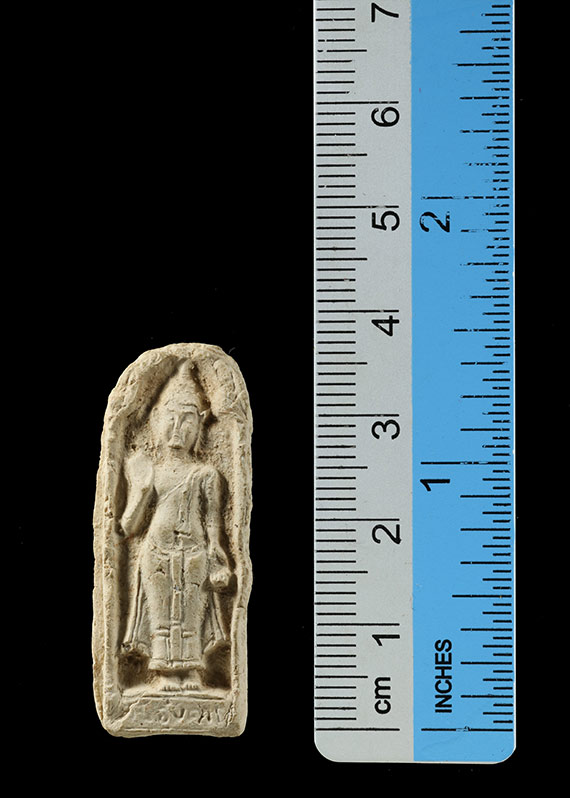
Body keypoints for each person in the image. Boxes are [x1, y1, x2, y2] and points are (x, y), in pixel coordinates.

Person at [121, 360, 231, 691]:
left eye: (187, 419)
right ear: (157, 419)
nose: (178, 427)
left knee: (191, 613)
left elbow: (213, 524)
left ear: (199, 425)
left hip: (195, 552)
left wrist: (218, 558)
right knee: (161, 613)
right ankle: (165, 674)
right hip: (156, 550)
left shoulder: (206, 474)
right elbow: (128, 526)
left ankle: (192, 672)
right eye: (171, 417)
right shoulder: (148, 469)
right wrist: (141, 488)